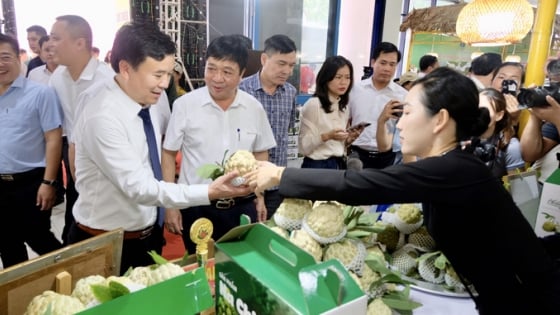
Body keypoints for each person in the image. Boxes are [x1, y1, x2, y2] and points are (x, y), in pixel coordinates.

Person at [247, 67, 560, 315]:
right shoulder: (450, 165)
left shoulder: (455, 169)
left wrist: (279, 174)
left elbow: (361, 185)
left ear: (439, 120)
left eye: (408, 113)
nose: (400, 125)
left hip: (532, 299)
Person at [68, 23, 251, 274]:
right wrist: (209, 191)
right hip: (103, 243)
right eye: (157, 74)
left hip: (146, 234)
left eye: (168, 73)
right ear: (125, 68)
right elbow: (139, 187)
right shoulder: (102, 116)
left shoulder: (151, 98)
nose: (165, 83)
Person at [162, 34, 276, 254]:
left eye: (227, 72)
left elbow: (261, 153)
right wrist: (171, 205)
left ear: (242, 74)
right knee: (202, 271)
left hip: (242, 207)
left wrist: (259, 195)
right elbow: (168, 154)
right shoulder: (185, 105)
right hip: (197, 206)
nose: (217, 78)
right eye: (211, 68)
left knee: (240, 269)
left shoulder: (254, 108)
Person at [48, 15, 115, 245]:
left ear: (80, 43)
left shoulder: (106, 79)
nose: (50, 44)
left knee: (98, 227)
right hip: (74, 158)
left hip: (103, 163)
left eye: (56, 38)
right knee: (73, 225)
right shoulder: (58, 77)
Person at [0, 33, 64, 268]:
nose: (0, 64)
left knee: (38, 238)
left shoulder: (40, 93)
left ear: (19, 57)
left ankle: (74, 277)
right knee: (7, 244)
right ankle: (18, 299)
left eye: (4, 57)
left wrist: (49, 183)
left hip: (30, 183)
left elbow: (53, 138)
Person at [239, 34, 297, 217]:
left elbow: (287, 130)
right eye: (281, 63)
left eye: (291, 65)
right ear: (264, 59)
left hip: (277, 180)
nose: (287, 70)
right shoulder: (242, 90)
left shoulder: (290, 92)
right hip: (247, 181)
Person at [348, 42, 408, 169]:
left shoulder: (402, 95)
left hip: (388, 156)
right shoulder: (354, 89)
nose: (387, 68)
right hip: (357, 153)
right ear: (373, 62)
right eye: (383, 63)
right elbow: (345, 120)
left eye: (392, 64)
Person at [298, 55, 356, 169]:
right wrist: (327, 136)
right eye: (338, 77)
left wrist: (348, 139)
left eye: (347, 77)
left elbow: (336, 146)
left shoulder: (343, 106)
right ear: (326, 78)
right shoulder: (314, 104)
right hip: (318, 165)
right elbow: (303, 147)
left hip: (339, 163)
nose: (343, 82)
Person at [477, 88, 525, 178]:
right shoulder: (462, 139)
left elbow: (520, 189)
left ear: (499, 115)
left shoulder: (511, 147)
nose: (477, 114)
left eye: (483, 110)